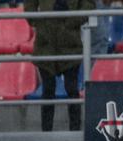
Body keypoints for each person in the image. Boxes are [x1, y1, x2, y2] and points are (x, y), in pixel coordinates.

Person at [25, 0, 93, 132]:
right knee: (48, 89)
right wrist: (41, 22)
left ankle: (74, 134)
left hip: (69, 44)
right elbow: (29, 6)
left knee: (71, 89)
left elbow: (88, 4)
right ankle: (47, 135)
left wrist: (72, 20)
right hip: (46, 44)